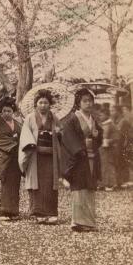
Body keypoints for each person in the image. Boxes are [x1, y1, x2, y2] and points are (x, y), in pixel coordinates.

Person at [61, 88, 102, 232]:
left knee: (89, 188)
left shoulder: (93, 119)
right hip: (78, 158)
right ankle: (78, 222)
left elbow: (99, 138)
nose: (88, 103)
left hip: (91, 157)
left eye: (90, 101)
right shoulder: (72, 119)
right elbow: (68, 136)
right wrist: (79, 150)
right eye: (85, 101)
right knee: (79, 189)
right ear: (79, 103)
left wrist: (97, 136)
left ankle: (89, 222)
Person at [19, 89, 62, 225]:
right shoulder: (30, 118)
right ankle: (38, 213)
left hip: (50, 156)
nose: (43, 105)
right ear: (36, 104)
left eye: (46, 103)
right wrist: (31, 144)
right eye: (40, 102)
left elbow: (61, 134)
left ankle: (51, 212)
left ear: (50, 104)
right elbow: (25, 134)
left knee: (50, 185)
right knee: (36, 184)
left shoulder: (54, 118)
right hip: (35, 155)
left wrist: (58, 133)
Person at [0, 97, 22, 221]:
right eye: (4, 111)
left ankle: (13, 210)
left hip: (16, 156)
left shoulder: (18, 123)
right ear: (1, 112)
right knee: (6, 182)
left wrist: (18, 142)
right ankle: (4, 210)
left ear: (12, 112)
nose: (7, 113)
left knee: (14, 182)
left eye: (9, 111)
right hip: (4, 155)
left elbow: (23, 136)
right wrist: (13, 143)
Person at [97, 106, 118, 191]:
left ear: (106, 115)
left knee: (109, 165)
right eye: (99, 115)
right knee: (102, 166)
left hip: (109, 148)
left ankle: (111, 184)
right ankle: (103, 183)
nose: (100, 117)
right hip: (102, 148)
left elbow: (117, 137)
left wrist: (109, 141)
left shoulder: (111, 124)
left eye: (101, 115)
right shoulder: (102, 124)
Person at [110, 105, 130, 188]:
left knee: (121, 162)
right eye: (111, 111)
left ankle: (123, 181)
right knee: (116, 161)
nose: (111, 112)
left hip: (122, 144)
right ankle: (119, 181)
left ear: (118, 111)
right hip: (116, 144)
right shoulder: (115, 120)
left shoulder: (123, 121)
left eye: (113, 111)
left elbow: (121, 133)